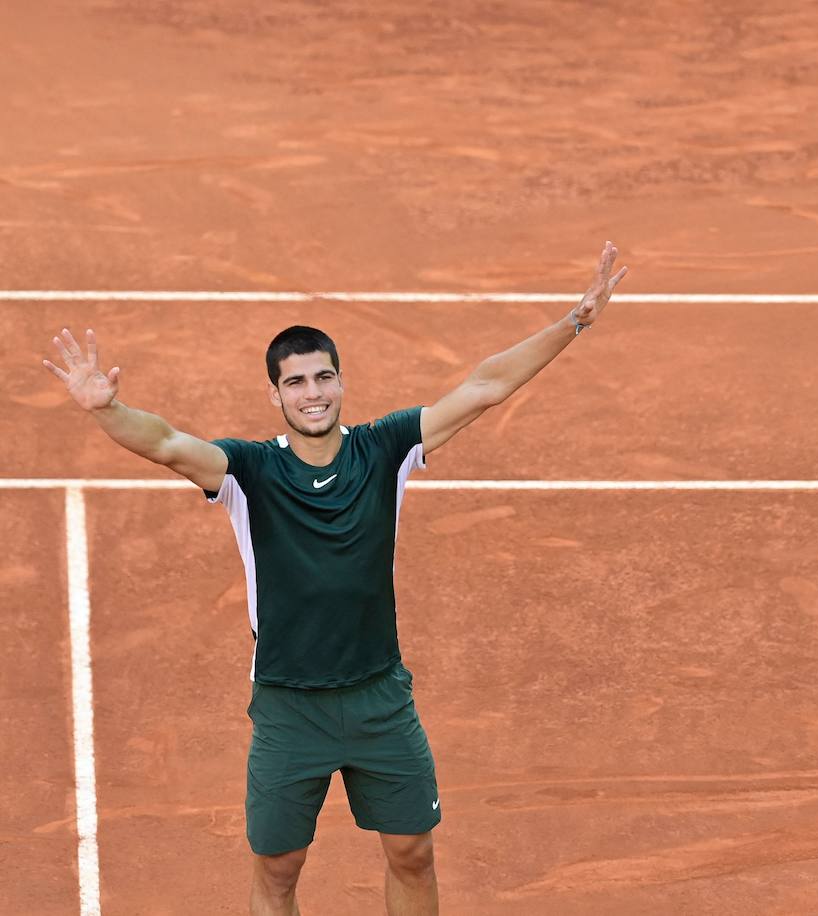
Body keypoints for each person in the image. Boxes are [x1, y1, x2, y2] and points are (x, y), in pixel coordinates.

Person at [41, 242, 629, 915]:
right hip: (291, 707)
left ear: (341, 382)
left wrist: (573, 322)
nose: (312, 394)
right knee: (280, 872)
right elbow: (168, 442)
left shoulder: (386, 449)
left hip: (380, 698)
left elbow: (485, 386)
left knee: (412, 853)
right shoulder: (247, 473)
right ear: (275, 394)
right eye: (296, 383)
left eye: (322, 378)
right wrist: (108, 411)